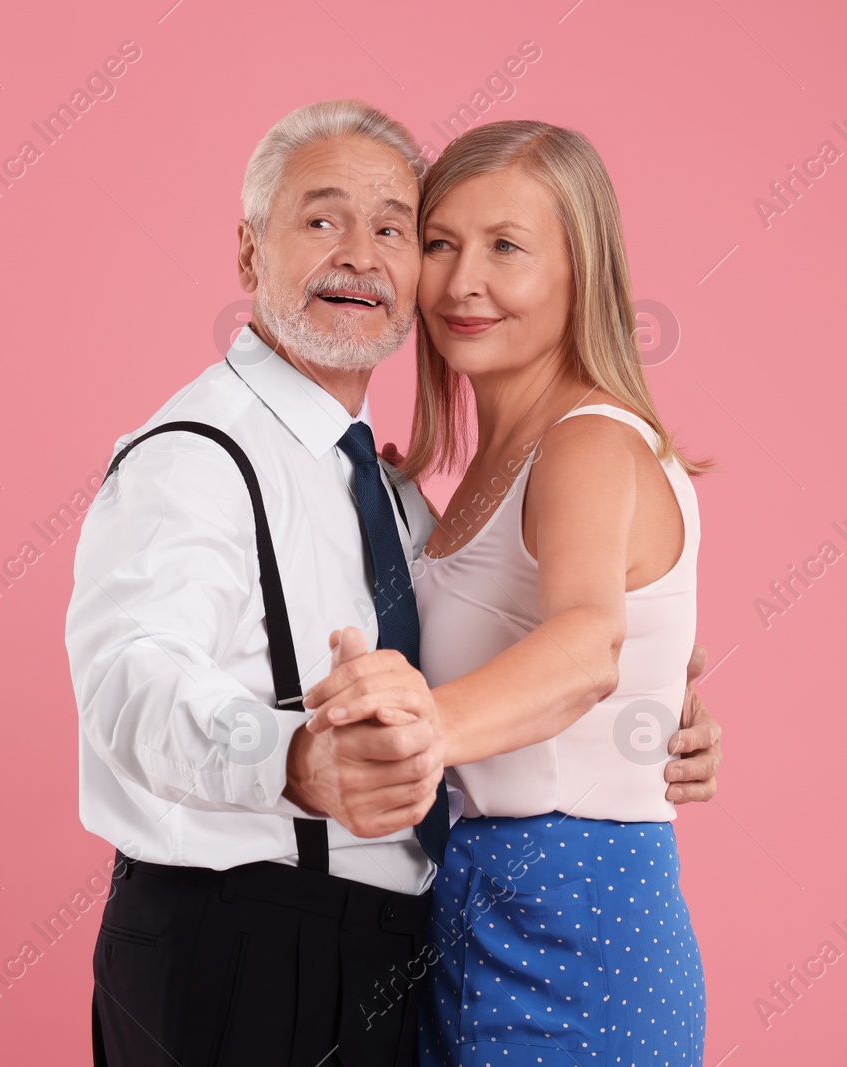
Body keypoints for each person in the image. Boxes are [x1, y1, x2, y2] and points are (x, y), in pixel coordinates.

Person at [66, 100, 721, 1067]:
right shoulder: (198, 457)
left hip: (442, 939)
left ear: (582, 270)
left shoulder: (395, 483)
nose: (369, 258)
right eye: (323, 220)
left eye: (392, 229)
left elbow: (585, 641)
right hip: (244, 945)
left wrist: (648, 699)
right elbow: (130, 678)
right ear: (249, 256)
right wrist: (288, 756)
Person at [304, 119, 712, 1064]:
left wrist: (424, 736)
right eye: (439, 243)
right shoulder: (490, 465)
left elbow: (587, 643)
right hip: (470, 906)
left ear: (583, 273)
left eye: (507, 248)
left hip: (578, 915)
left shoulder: (588, 441)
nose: (460, 282)